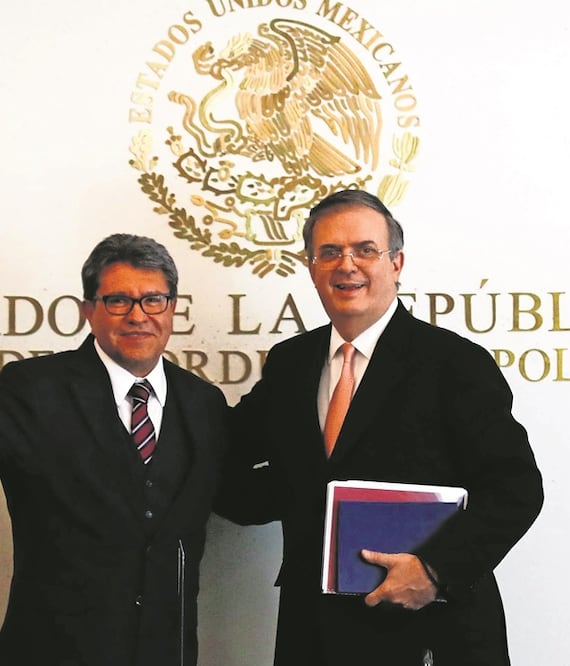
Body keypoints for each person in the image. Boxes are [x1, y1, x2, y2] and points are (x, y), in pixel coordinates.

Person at [215, 190, 544, 665]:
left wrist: (434, 570)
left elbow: (515, 489)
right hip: (314, 634)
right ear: (311, 268)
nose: (346, 264)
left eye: (365, 249)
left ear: (397, 263)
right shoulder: (291, 364)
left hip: (428, 632)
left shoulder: (454, 363)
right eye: (329, 252)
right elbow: (233, 463)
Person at [0, 234, 228, 666]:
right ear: (87, 311)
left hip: (164, 652)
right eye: (118, 301)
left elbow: (237, 494)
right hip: (52, 649)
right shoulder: (37, 388)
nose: (138, 316)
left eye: (153, 300)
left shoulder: (203, 404)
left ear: (172, 308)